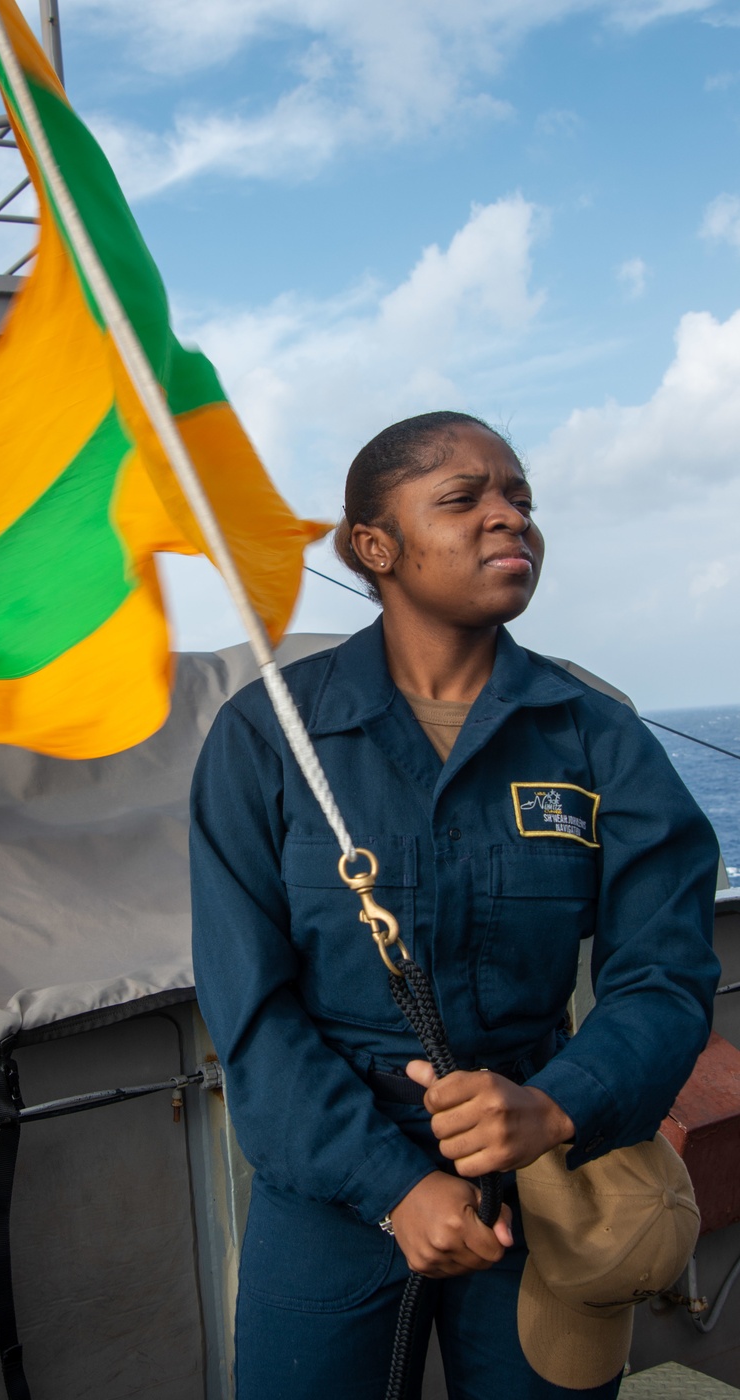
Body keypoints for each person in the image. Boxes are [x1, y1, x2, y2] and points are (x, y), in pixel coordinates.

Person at [189, 411, 721, 1400]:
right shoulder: (270, 734)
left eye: (518, 496)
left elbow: (666, 969)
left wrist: (559, 1101)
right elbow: (249, 1010)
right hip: (331, 1180)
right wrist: (393, 1184)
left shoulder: (594, 736)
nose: (507, 516)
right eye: (463, 497)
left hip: (542, 1162)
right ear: (374, 546)